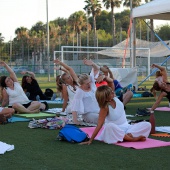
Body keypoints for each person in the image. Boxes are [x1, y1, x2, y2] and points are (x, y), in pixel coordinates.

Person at [80, 85, 151, 145]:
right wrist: (91, 140)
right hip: (114, 130)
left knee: (147, 124)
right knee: (109, 126)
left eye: (111, 91)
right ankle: (131, 139)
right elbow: (99, 125)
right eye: (110, 93)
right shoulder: (105, 107)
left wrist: (105, 76)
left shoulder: (115, 98)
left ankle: (126, 136)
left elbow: (111, 82)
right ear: (106, 98)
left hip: (127, 128)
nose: (113, 92)